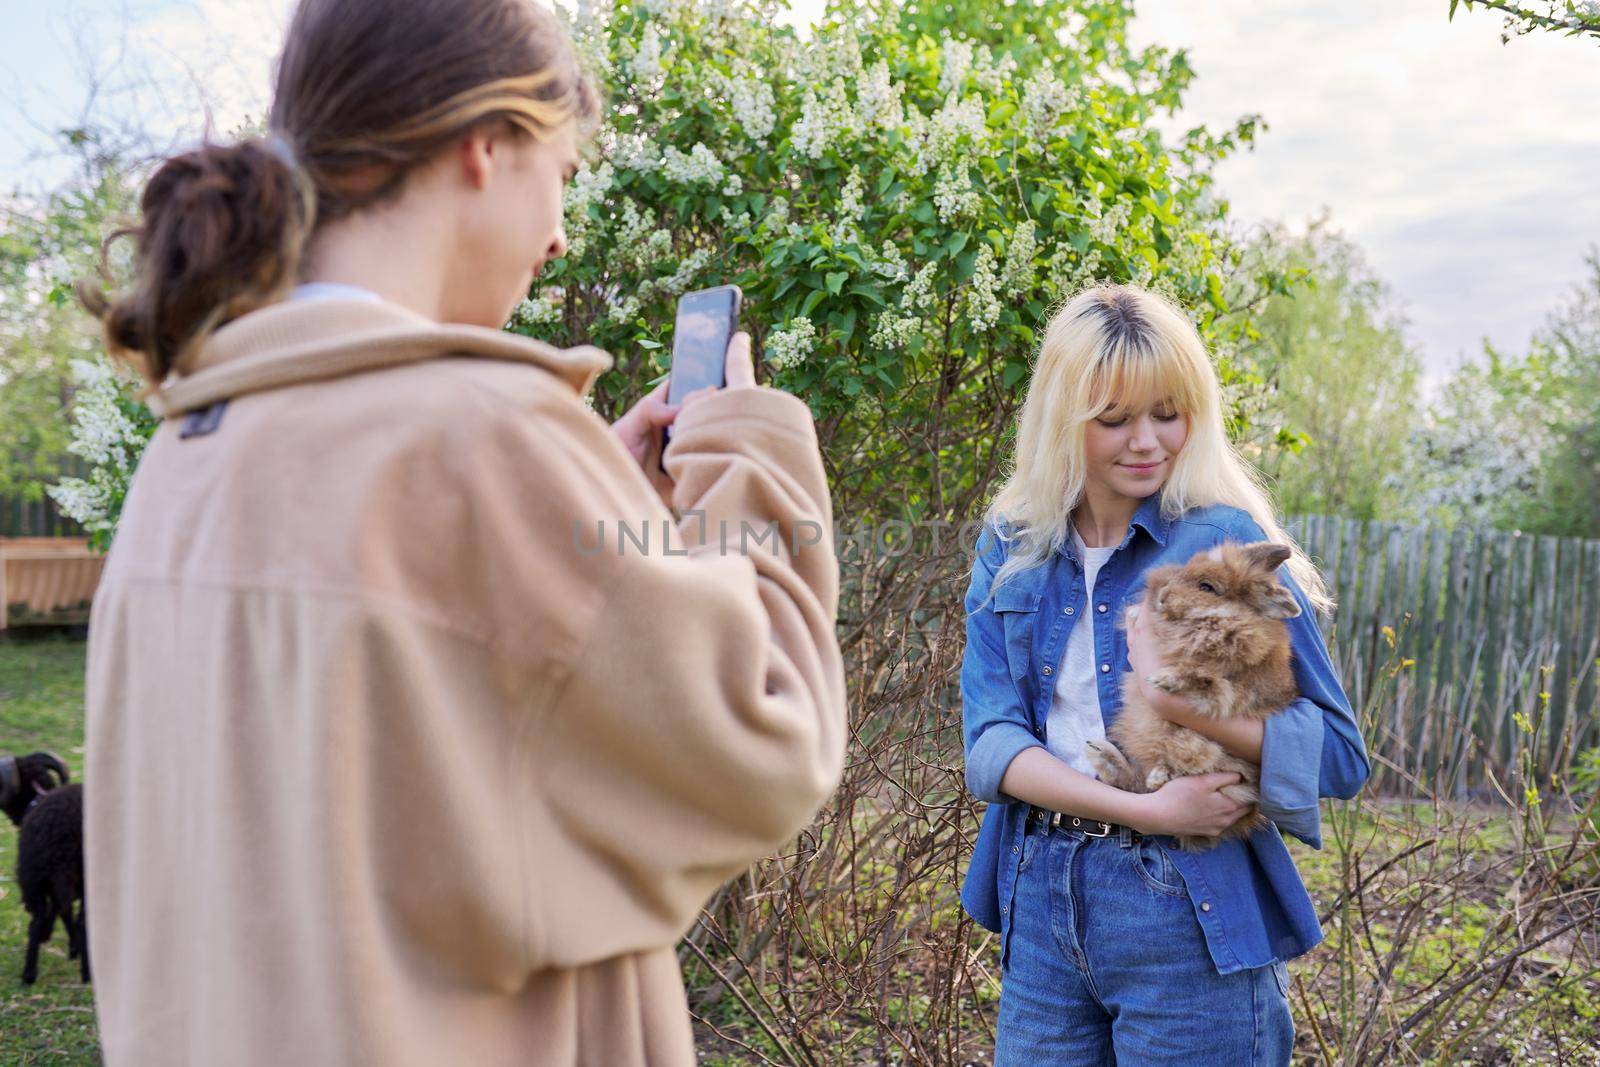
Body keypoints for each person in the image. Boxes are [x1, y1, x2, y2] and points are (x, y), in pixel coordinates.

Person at [79, 1, 847, 1063]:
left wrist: (597, 510)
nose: (562, 232)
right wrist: (743, 453)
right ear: (486, 145)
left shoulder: (192, 449)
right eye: (563, 172)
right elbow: (765, 737)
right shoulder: (478, 440)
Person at [958, 284, 1370, 1064]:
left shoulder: (1223, 543)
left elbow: (1340, 757)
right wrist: (1141, 807)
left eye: (1168, 413)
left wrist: (1161, 694)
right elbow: (991, 741)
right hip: (1041, 894)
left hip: (1186, 899)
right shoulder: (1014, 544)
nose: (1147, 441)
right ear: (1061, 420)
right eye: (1114, 419)